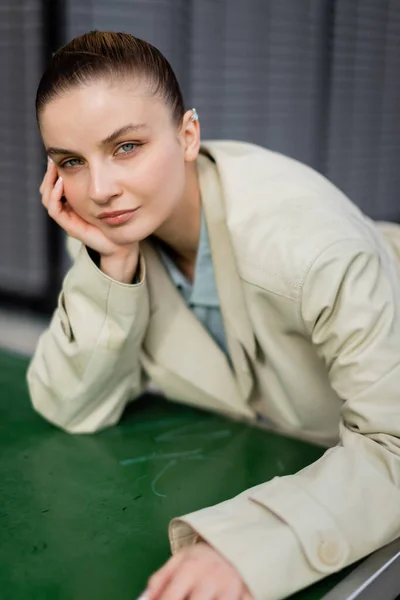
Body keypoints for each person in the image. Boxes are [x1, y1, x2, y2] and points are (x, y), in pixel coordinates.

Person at [29, 30, 400, 600]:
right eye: (71, 161)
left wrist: (251, 547)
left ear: (187, 134)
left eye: (126, 146)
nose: (100, 189)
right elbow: (69, 405)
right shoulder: (116, 235)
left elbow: (394, 446)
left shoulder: (313, 245)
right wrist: (112, 266)